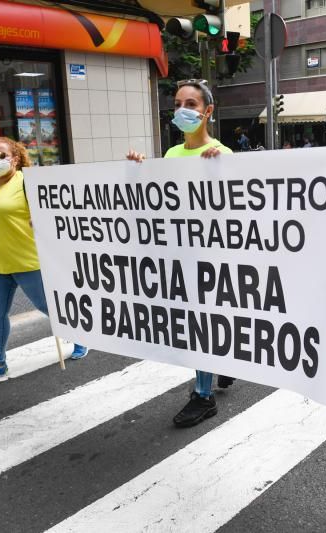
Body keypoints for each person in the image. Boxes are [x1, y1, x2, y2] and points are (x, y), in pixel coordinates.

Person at [126, 79, 235, 428]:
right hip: (181, 255)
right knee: (198, 322)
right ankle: (227, 362)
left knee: (202, 323)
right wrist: (138, 171)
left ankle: (203, 396)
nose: (183, 110)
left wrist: (221, 172)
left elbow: (236, 212)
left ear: (208, 111)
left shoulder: (223, 154)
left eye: (191, 103)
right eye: (177, 103)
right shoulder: (172, 155)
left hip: (211, 256)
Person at [0, 137, 88, 383]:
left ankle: (80, 336)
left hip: (27, 261)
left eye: (2, 155)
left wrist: (42, 222)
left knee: (49, 307)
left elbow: (54, 212)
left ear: (15, 158)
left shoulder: (27, 182)